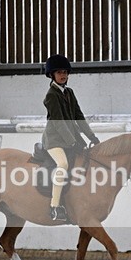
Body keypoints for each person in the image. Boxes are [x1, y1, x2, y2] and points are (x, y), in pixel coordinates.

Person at [41, 54, 100, 221]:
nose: (63, 75)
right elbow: (59, 123)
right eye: (59, 72)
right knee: (63, 164)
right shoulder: (51, 95)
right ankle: (54, 207)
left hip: (70, 138)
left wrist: (92, 136)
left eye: (65, 72)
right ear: (52, 74)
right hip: (54, 140)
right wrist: (72, 142)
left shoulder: (70, 92)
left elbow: (78, 116)